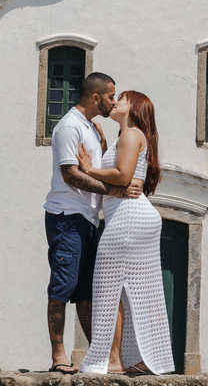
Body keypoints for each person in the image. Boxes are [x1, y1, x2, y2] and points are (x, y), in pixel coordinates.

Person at [43, 72, 142, 374]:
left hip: (87, 219)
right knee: (63, 285)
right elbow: (71, 174)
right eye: (111, 96)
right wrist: (116, 191)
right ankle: (59, 355)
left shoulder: (91, 128)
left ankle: (98, 356)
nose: (114, 102)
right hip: (66, 217)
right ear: (96, 97)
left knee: (87, 292)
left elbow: (99, 170)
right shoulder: (69, 127)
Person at [76, 91, 175, 376]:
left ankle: (114, 359)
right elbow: (122, 170)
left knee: (109, 289)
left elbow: (122, 175)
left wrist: (88, 169)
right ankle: (140, 359)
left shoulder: (131, 135)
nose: (115, 102)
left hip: (129, 219)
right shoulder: (127, 137)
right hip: (130, 216)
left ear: (135, 107)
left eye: (122, 98)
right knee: (137, 291)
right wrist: (102, 140)